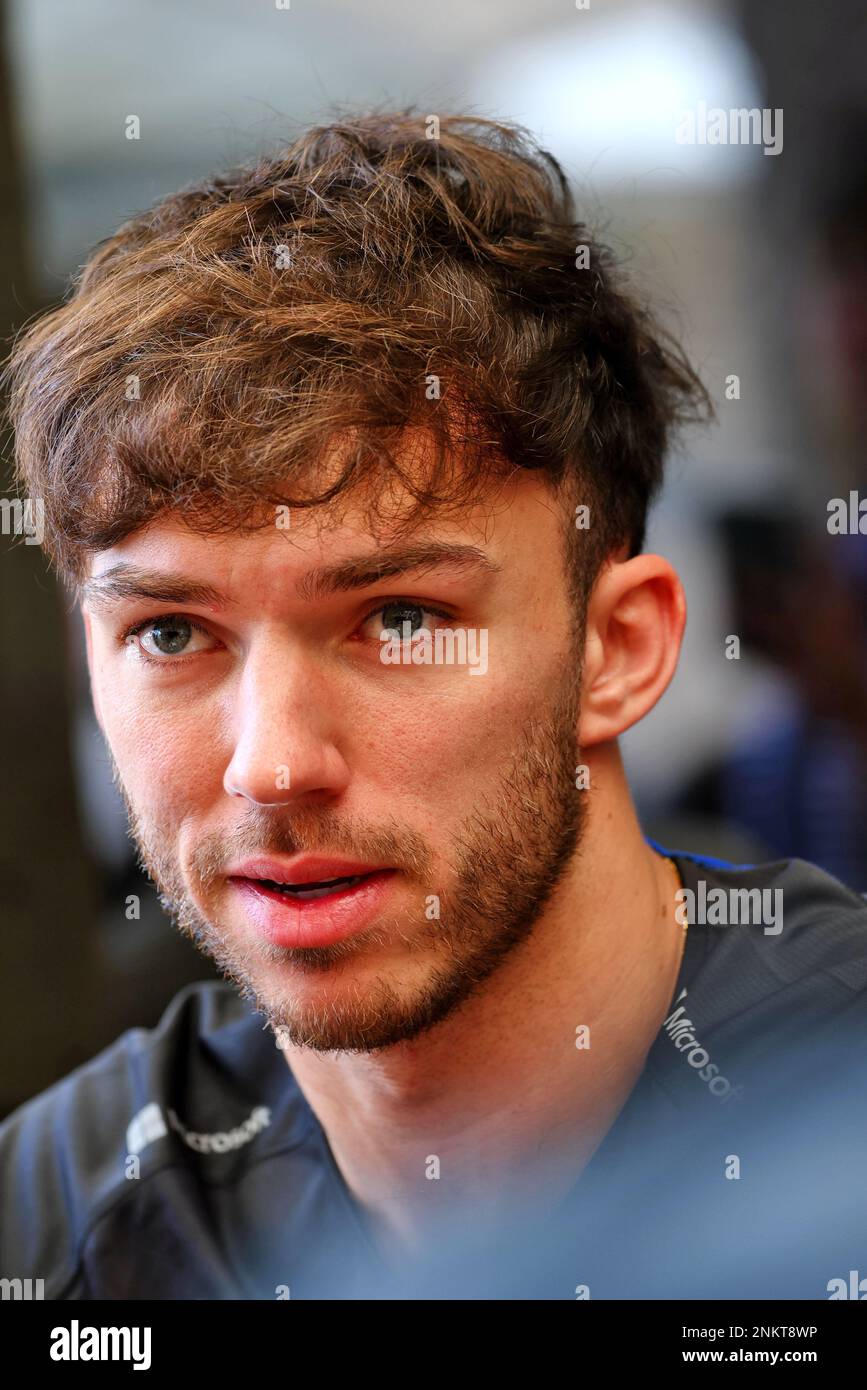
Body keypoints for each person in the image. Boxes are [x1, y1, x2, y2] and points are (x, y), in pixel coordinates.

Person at [1, 111, 865, 1301]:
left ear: (617, 649)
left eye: (400, 619)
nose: (272, 763)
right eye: (169, 632)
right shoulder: (55, 1217)